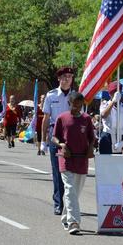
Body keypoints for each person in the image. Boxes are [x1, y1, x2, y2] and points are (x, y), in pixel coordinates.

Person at [51, 92, 95, 235]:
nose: (77, 106)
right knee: (69, 190)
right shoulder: (62, 118)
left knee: (75, 192)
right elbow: (54, 138)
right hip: (66, 158)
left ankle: (65, 218)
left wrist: (90, 149)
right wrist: (62, 145)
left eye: (80, 104)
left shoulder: (86, 119)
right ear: (69, 103)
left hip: (82, 159)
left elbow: (92, 138)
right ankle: (74, 222)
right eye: (74, 103)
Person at [42, 66, 74, 215]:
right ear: (59, 79)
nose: (68, 79)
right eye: (65, 76)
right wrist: (43, 141)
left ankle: (70, 203)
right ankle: (58, 203)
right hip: (55, 135)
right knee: (57, 171)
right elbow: (46, 119)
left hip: (72, 136)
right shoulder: (51, 95)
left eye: (70, 76)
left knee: (71, 172)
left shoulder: (76, 96)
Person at [99, 81, 123, 154]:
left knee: (121, 164)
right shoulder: (105, 104)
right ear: (109, 94)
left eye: (118, 92)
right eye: (113, 92)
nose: (116, 94)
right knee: (106, 162)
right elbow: (103, 115)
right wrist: (113, 101)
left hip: (121, 137)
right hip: (107, 137)